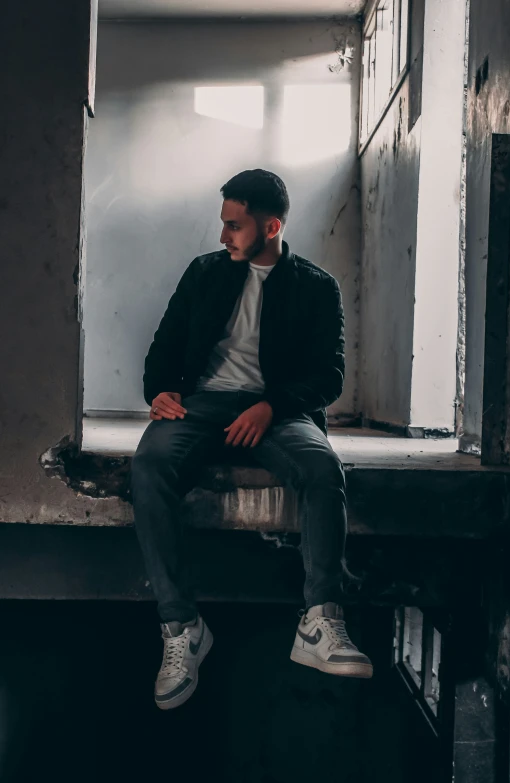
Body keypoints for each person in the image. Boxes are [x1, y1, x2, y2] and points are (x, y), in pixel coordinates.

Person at [131, 169, 373, 710]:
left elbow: (328, 377)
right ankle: (181, 627)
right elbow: (164, 346)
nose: (223, 237)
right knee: (148, 465)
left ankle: (320, 622)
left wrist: (272, 406)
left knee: (321, 469)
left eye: (234, 227)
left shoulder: (316, 287)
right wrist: (162, 392)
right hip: (201, 406)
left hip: (279, 409)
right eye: (223, 225)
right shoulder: (204, 273)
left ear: (272, 226)